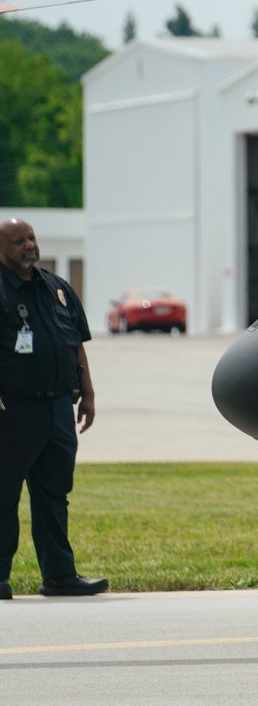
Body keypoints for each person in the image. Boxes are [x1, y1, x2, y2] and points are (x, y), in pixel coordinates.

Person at [0, 218, 107, 600]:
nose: (29, 246)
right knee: (3, 496)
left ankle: (60, 576)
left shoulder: (57, 289)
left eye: (31, 239)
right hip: (11, 410)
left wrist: (89, 395)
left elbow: (76, 342)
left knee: (54, 495)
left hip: (59, 407)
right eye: (18, 242)